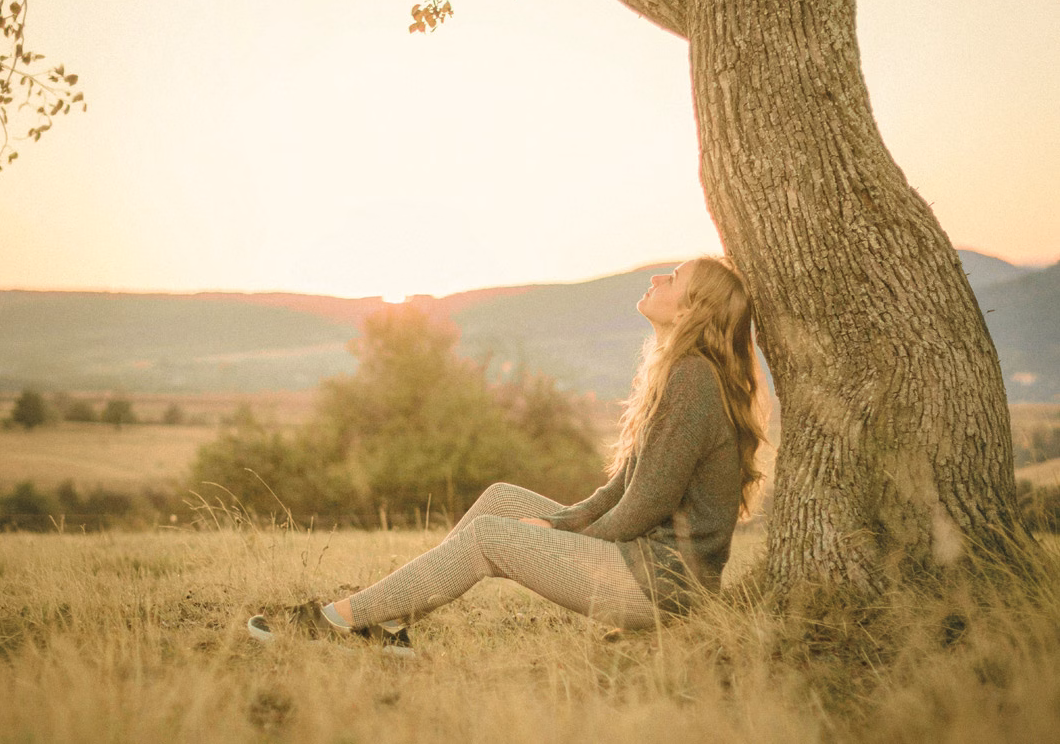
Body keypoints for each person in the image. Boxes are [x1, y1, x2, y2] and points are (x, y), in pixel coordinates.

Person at [248, 256, 767, 644]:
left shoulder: (694, 379)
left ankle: (335, 622)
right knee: (502, 500)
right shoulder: (680, 373)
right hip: (642, 565)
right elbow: (619, 489)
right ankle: (388, 625)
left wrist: (555, 533)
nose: (657, 279)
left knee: (490, 536)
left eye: (673, 279)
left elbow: (645, 506)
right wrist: (563, 524)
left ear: (694, 309)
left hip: (660, 585)